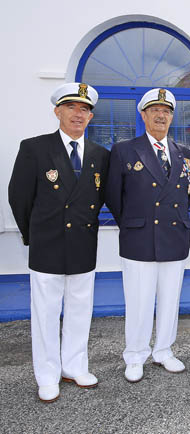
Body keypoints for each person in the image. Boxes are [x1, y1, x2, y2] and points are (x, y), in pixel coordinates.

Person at [8, 83, 109, 402]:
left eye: (84, 110)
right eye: (71, 108)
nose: (78, 114)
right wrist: (34, 234)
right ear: (57, 111)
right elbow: (19, 198)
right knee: (46, 313)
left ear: (91, 116)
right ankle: (47, 374)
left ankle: (75, 366)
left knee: (81, 309)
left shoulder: (100, 155)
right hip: (47, 244)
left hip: (82, 243)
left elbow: (100, 197)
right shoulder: (35, 148)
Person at [106, 88, 190, 383]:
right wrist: (134, 222)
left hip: (174, 237)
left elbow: (188, 194)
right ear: (143, 115)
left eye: (167, 111)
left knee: (170, 300)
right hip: (139, 237)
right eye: (155, 110)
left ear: (172, 116)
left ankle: (164, 351)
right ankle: (135, 355)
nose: (161, 115)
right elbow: (113, 196)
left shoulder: (186, 155)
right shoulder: (124, 150)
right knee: (139, 300)